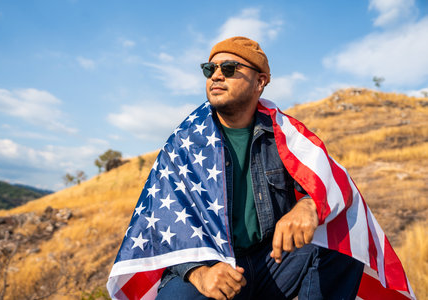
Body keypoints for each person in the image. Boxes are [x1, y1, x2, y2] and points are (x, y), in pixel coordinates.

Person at [155, 36, 364, 299]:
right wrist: (199, 273)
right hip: (212, 265)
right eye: (210, 69)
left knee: (343, 237)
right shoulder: (183, 144)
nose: (216, 76)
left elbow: (335, 183)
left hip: (272, 261)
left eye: (229, 68)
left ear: (260, 81)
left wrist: (309, 205)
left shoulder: (285, 135)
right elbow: (165, 224)